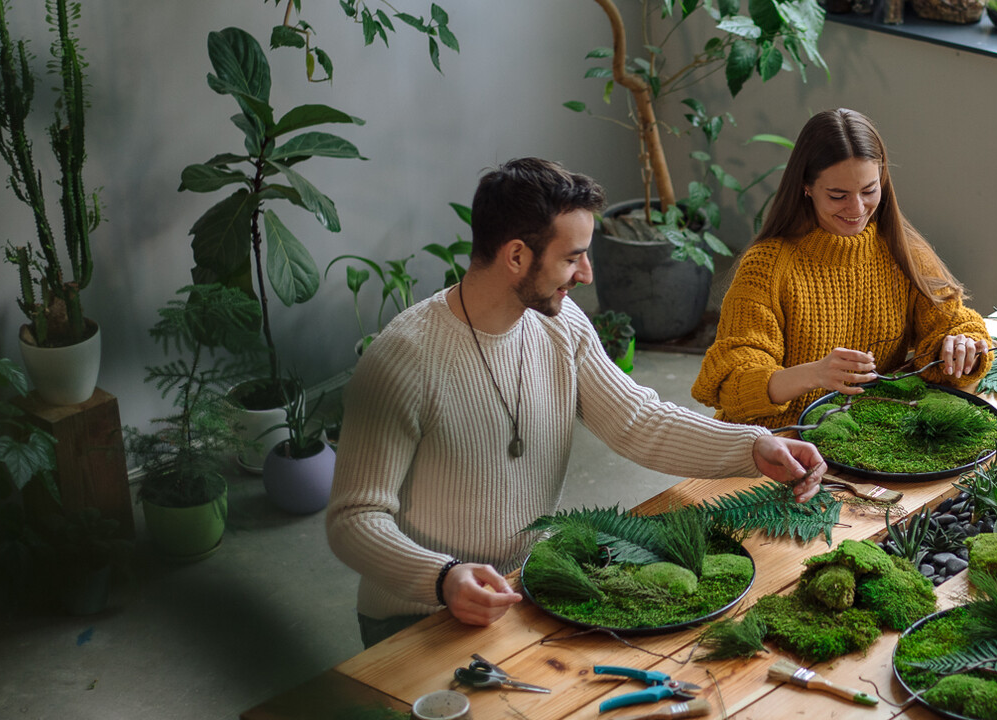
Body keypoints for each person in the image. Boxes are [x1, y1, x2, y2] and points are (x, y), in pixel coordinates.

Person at [327, 158, 827, 648]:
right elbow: (353, 518)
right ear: (517, 256)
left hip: (527, 587)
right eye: (573, 257)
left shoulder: (560, 324)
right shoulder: (402, 358)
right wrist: (442, 578)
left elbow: (638, 420)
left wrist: (755, 446)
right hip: (418, 612)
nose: (587, 274)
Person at [693, 108, 993, 429]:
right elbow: (732, 381)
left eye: (869, 190)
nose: (857, 208)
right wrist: (815, 374)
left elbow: (952, 322)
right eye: (838, 195)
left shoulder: (902, 250)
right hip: (775, 441)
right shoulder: (767, 266)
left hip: (864, 435)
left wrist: (961, 344)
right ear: (806, 187)